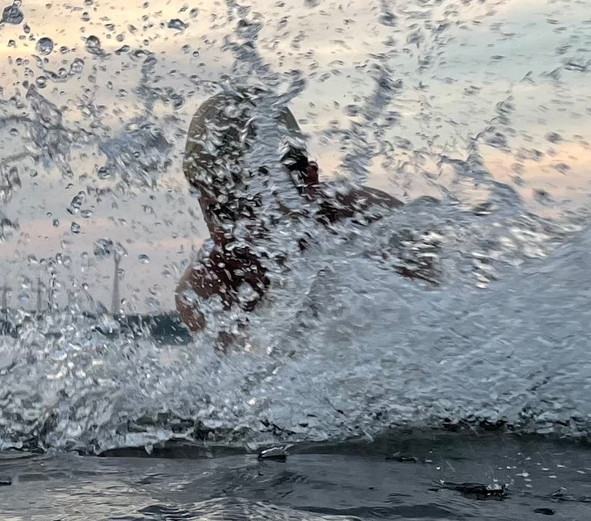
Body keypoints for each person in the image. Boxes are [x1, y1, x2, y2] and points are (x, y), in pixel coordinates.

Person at [173, 86, 427, 341]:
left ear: (309, 184)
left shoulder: (372, 222)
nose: (241, 232)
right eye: (221, 213)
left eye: (256, 208)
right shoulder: (208, 291)